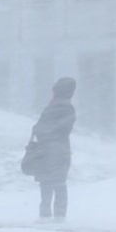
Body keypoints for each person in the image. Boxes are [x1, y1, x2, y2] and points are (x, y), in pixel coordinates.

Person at [31, 77, 77, 222]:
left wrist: (43, 131)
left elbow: (39, 128)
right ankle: (59, 217)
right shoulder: (67, 108)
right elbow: (62, 128)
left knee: (47, 185)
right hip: (60, 150)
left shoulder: (51, 107)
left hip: (46, 150)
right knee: (59, 184)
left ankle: (45, 216)